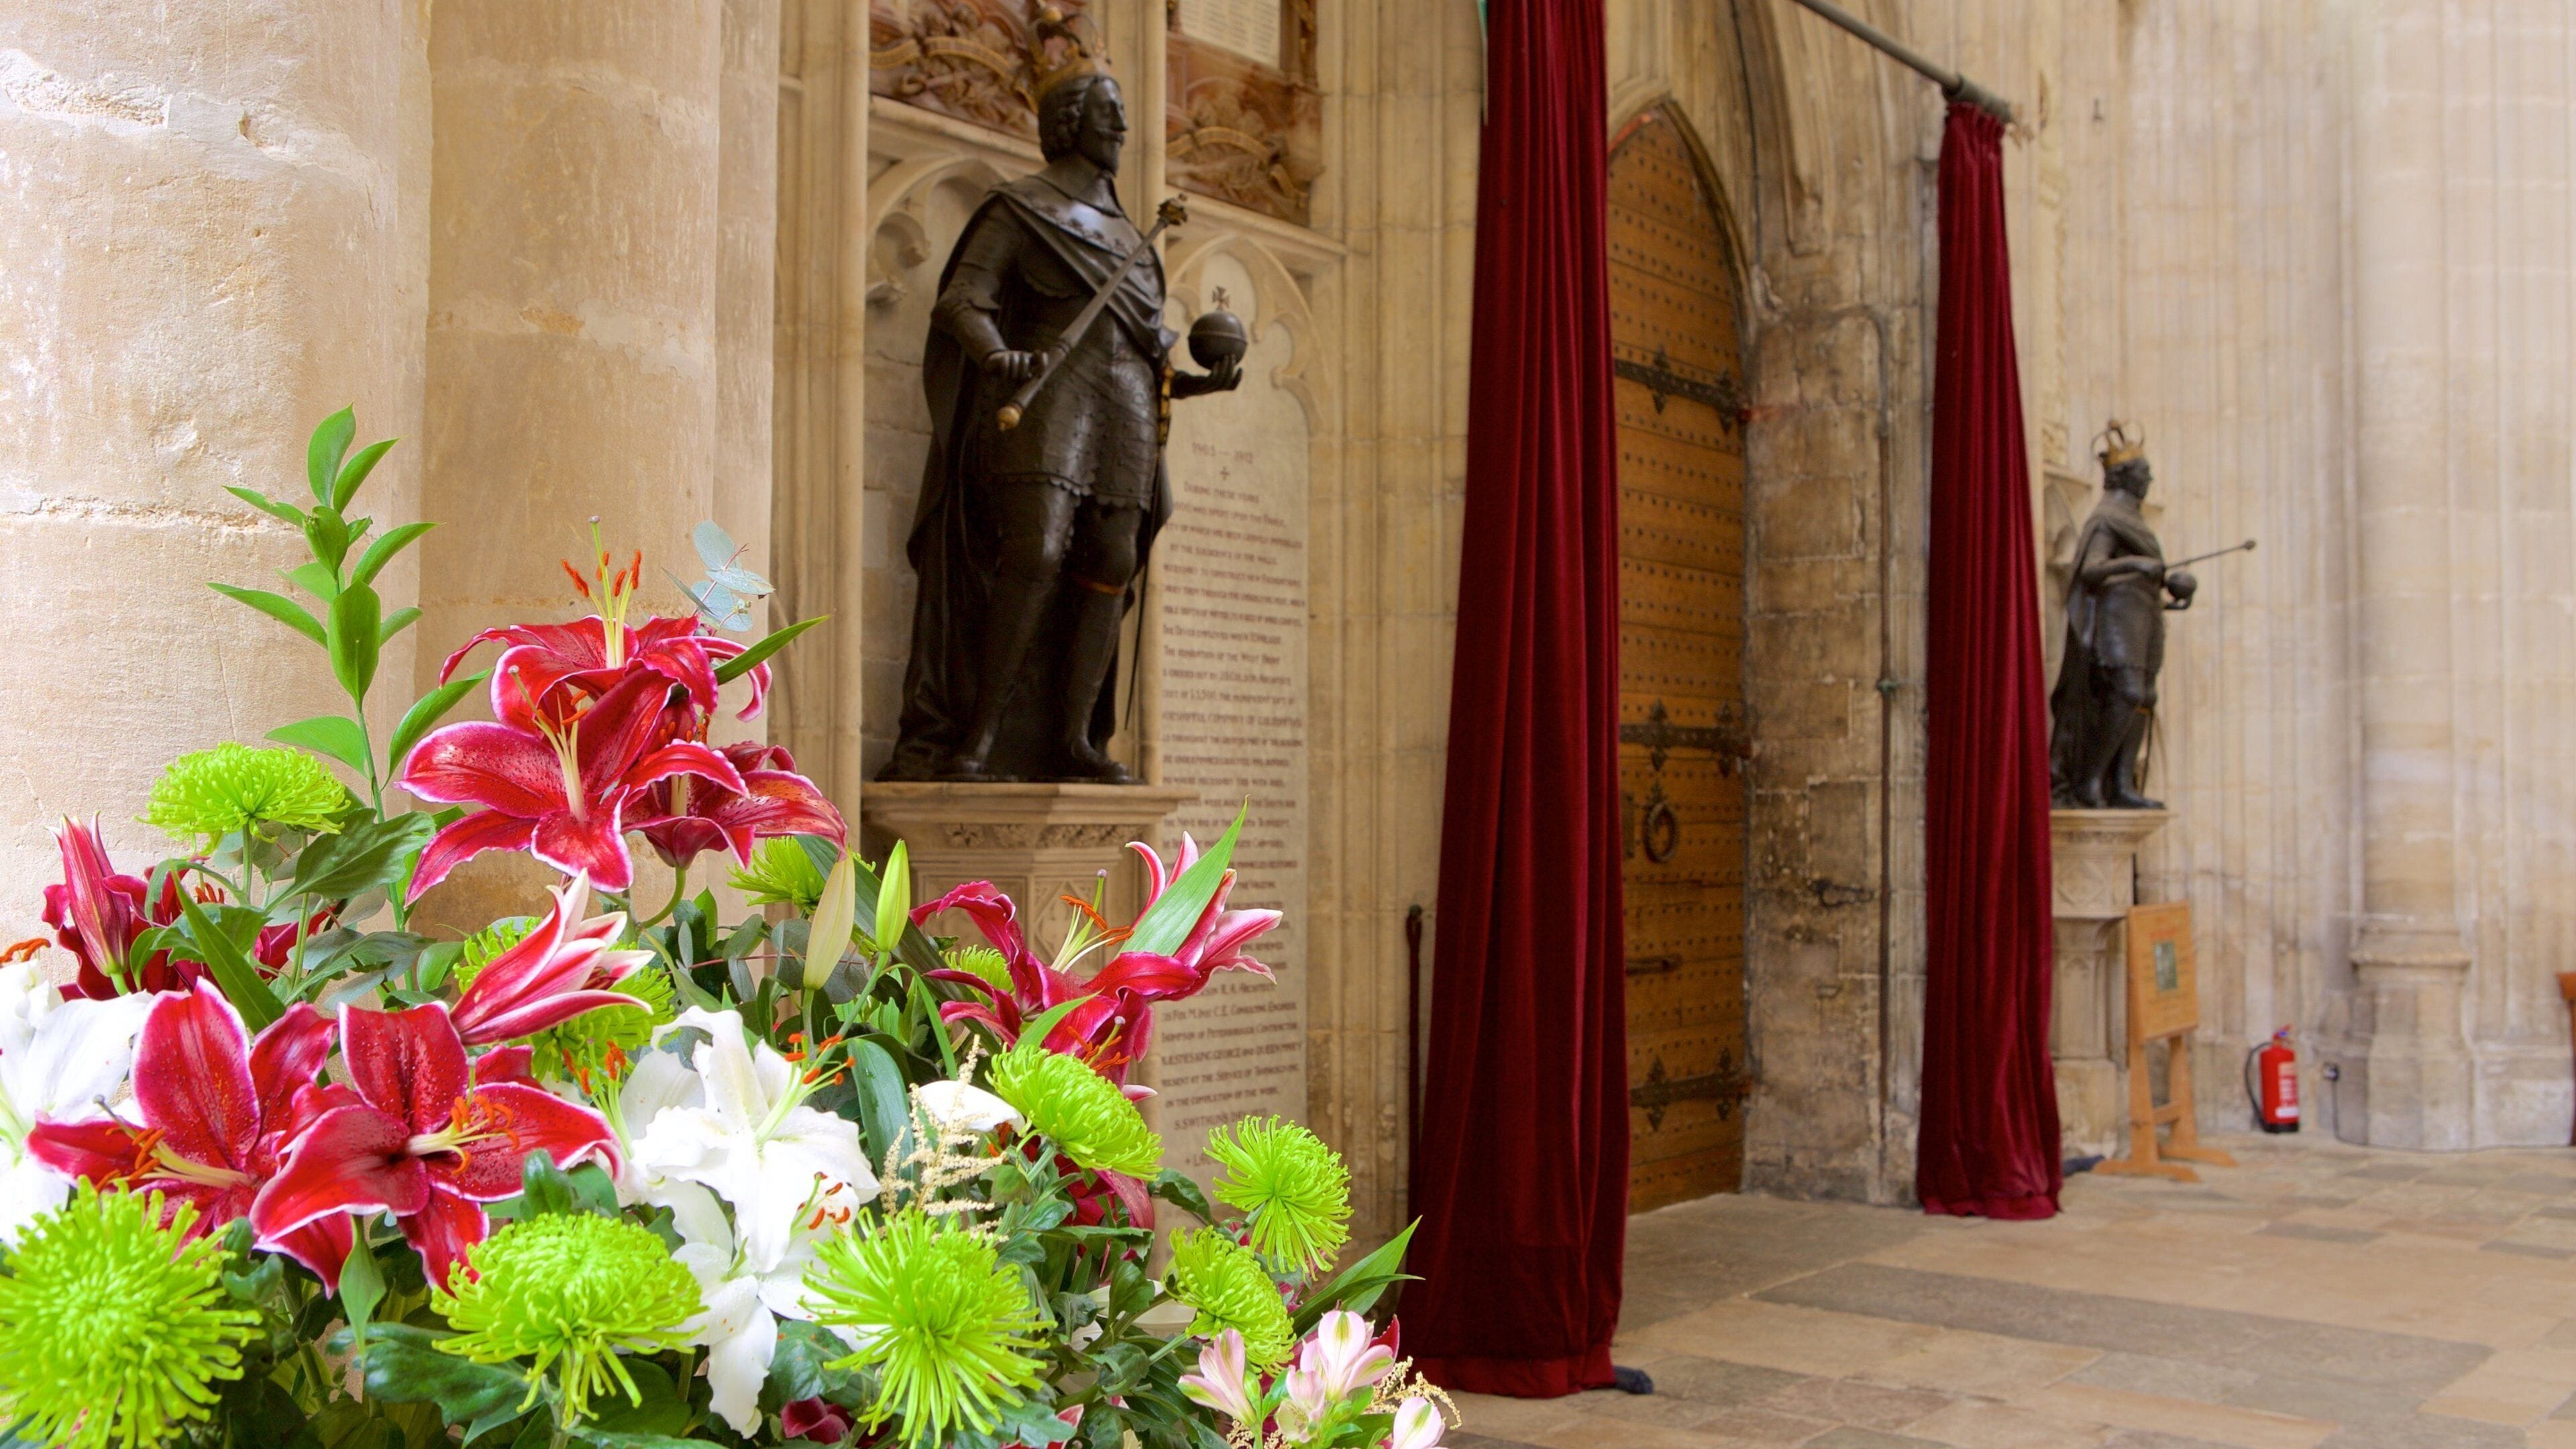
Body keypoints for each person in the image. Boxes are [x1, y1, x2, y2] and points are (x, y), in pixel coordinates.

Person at [880, 57, 1240, 783]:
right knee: (1037, 550)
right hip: (1054, 397)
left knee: (1111, 558)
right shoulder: (1022, 209)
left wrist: (1204, 380)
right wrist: (995, 357)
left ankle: (1074, 740)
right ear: (1070, 122)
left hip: (1127, 408)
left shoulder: (1137, 243)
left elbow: (1146, 353)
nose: (1124, 126)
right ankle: (978, 736)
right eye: (1110, 112)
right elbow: (963, 302)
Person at [2050, 424, 2194, 809]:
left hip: (2142, 617)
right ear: (2125, 478)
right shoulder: (2108, 518)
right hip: (2116, 620)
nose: (2150, 479)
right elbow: (2093, 569)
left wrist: (2176, 589)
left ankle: (2123, 786)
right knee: (2127, 692)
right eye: (2144, 473)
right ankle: (2088, 781)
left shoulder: (2135, 521)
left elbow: (2139, 578)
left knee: (2146, 695)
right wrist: (2140, 564)